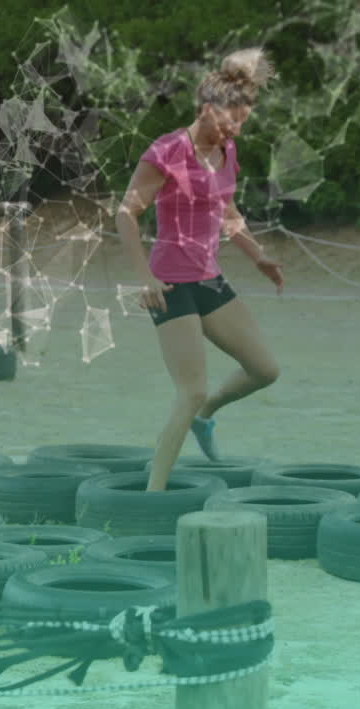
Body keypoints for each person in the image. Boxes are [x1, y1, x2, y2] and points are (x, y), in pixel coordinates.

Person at [115, 48, 285, 492]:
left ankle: (206, 417)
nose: (237, 129)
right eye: (232, 120)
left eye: (243, 121)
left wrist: (258, 255)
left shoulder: (227, 150)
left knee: (265, 369)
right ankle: (152, 494)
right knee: (189, 391)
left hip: (210, 280)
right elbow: (126, 214)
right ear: (207, 110)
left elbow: (227, 210)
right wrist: (144, 277)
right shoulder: (168, 151)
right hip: (170, 284)